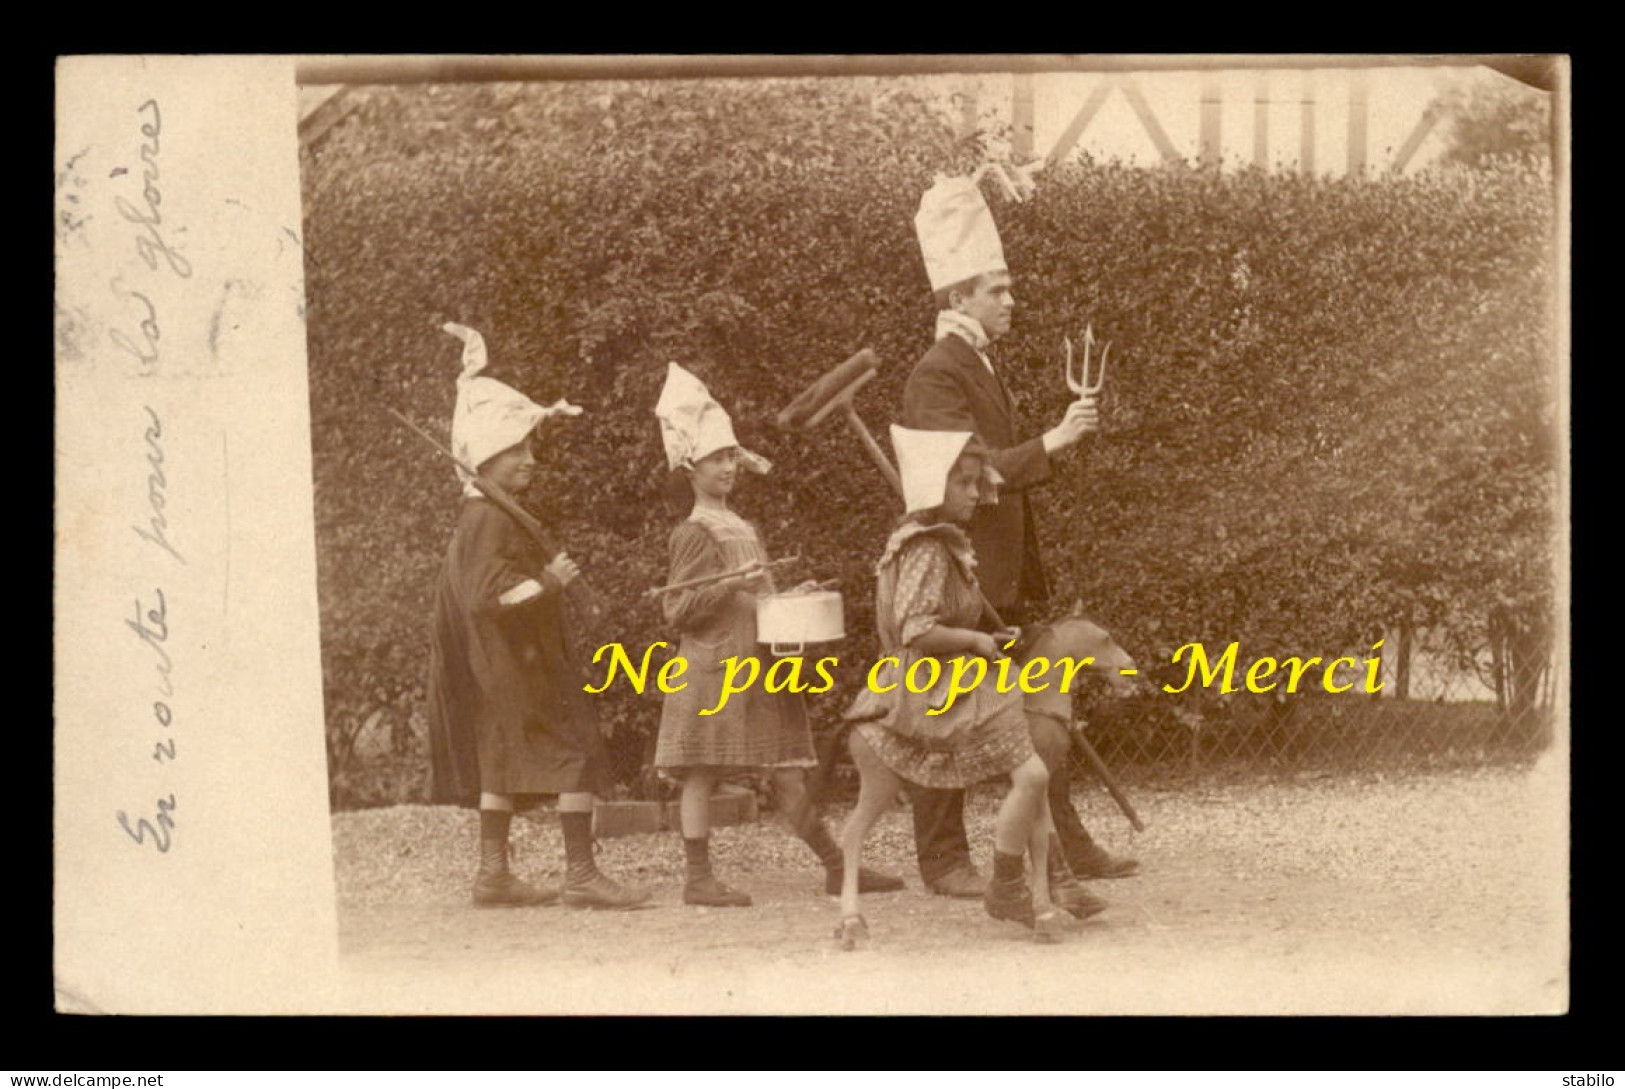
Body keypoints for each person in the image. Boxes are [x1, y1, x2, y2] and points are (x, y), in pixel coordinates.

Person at [902, 172, 1139, 901]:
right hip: (955, 569)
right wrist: (1057, 438)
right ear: (959, 295)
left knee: (1038, 709)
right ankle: (941, 859)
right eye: (997, 289)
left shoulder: (975, 361)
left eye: (1007, 288)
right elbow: (960, 475)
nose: (1011, 300)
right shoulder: (936, 372)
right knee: (940, 707)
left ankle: (1066, 845)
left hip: (1001, 564)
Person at [653, 362, 903, 907]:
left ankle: (837, 867)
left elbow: (758, 599)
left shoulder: (743, 526)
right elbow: (678, 608)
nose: (728, 467)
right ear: (691, 467)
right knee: (701, 770)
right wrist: (731, 587)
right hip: (715, 666)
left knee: (790, 772)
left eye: (731, 457)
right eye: (717, 459)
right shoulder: (692, 531)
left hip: (758, 663)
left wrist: (789, 594)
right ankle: (698, 879)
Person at [427, 322, 649, 910]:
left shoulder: (484, 513)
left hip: (500, 665)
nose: (532, 459)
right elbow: (487, 598)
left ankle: (493, 875)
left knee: (500, 757)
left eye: (530, 447)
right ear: (488, 459)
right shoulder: (491, 519)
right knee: (576, 749)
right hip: (518, 663)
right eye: (518, 450)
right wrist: (550, 584)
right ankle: (581, 875)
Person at [837, 426, 1064, 946]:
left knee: (1032, 776)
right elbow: (916, 629)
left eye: (974, 481)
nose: (973, 493)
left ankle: (1036, 894)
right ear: (934, 488)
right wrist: (977, 642)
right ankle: (1012, 887)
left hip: (948, 680)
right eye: (962, 483)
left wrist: (986, 636)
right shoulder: (924, 549)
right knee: (1031, 775)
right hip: (925, 688)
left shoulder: (940, 545)